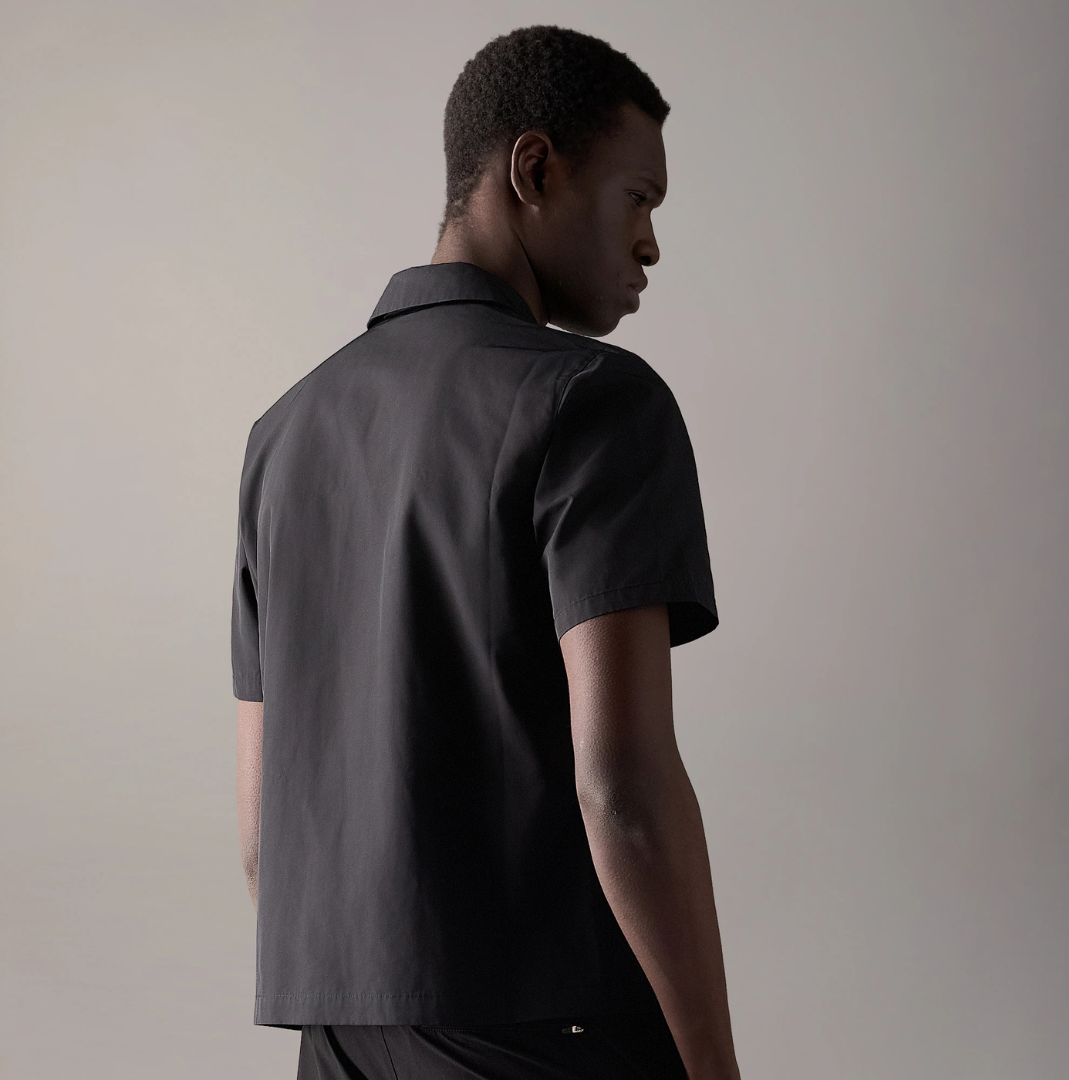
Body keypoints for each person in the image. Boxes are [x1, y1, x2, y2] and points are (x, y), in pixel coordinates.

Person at [233, 24, 742, 1080]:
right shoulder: (593, 403)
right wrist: (712, 1068)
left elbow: (263, 837)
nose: (650, 244)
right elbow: (626, 789)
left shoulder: (282, 436)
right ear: (535, 169)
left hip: (340, 1043)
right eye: (637, 198)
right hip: (549, 1040)